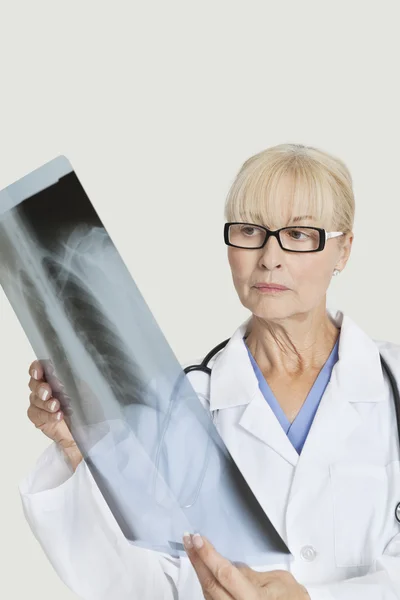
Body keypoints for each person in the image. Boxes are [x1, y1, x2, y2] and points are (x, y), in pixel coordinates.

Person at [21, 143, 400, 599]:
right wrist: (77, 449)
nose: (269, 257)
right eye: (249, 230)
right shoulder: (178, 407)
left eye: (299, 235)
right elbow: (139, 587)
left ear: (344, 250)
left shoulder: (391, 382)